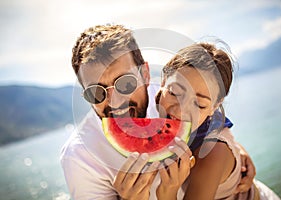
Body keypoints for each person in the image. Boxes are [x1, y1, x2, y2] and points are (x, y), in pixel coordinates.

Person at [60, 24, 256, 199]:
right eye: (96, 92)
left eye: (126, 83)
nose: (116, 101)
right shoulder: (78, 159)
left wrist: (236, 151)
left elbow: (210, 124)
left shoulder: (164, 97)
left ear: (145, 74)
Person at [155, 42, 281, 199]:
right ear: (163, 80)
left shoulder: (213, 152)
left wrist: (168, 192)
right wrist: (240, 149)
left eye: (198, 105)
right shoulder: (150, 99)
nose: (180, 110)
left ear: (215, 106)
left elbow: (220, 143)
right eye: (175, 92)